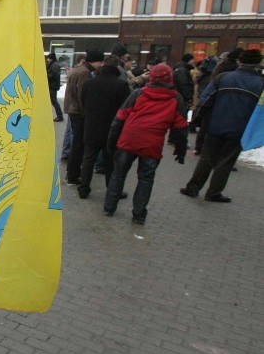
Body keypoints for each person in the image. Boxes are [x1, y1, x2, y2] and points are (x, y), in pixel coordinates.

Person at [103, 64, 188, 224]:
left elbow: (119, 118)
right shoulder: (176, 99)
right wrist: (180, 150)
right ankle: (139, 213)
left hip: (129, 139)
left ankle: (109, 207)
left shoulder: (138, 93)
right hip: (152, 144)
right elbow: (181, 128)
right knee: (146, 179)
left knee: (118, 174)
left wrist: (112, 142)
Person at [180, 49, 264, 203]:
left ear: (239, 61)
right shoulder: (260, 84)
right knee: (226, 162)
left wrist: (198, 119)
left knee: (206, 158)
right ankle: (214, 192)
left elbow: (206, 99)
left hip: (216, 124)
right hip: (240, 129)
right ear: (257, 63)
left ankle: (193, 187)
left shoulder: (223, 78)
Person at [77, 55, 131, 199]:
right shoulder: (121, 85)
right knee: (110, 162)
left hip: (91, 127)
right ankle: (112, 190)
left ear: (103, 65)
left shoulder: (90, 83)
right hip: (111, 129)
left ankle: (83, 188)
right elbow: (125, 109)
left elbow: (83, 102)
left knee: (88, 159)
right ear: (116, 67)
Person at [63, 48, 104, 185]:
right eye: (101, 62)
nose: (101, 65)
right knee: (79, 144)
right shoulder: (85, 73)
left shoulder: (78, 69)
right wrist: (87, 109)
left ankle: (71, 172)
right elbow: (82, 94)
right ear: (96, 61)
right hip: (79, 112)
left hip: (73, 109)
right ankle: (73, 174)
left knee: (77, 143)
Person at [46, 51, 64, 121]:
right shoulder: (53, 64)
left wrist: (46, 76)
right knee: (53, 101)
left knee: (54, 101)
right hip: (52, 85)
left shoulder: (54, 65)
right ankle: (59, 116)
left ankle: (60, 116)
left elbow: (53, 75)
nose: (47, 59)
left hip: (52, 86)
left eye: (48, 58)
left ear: (51, 58)